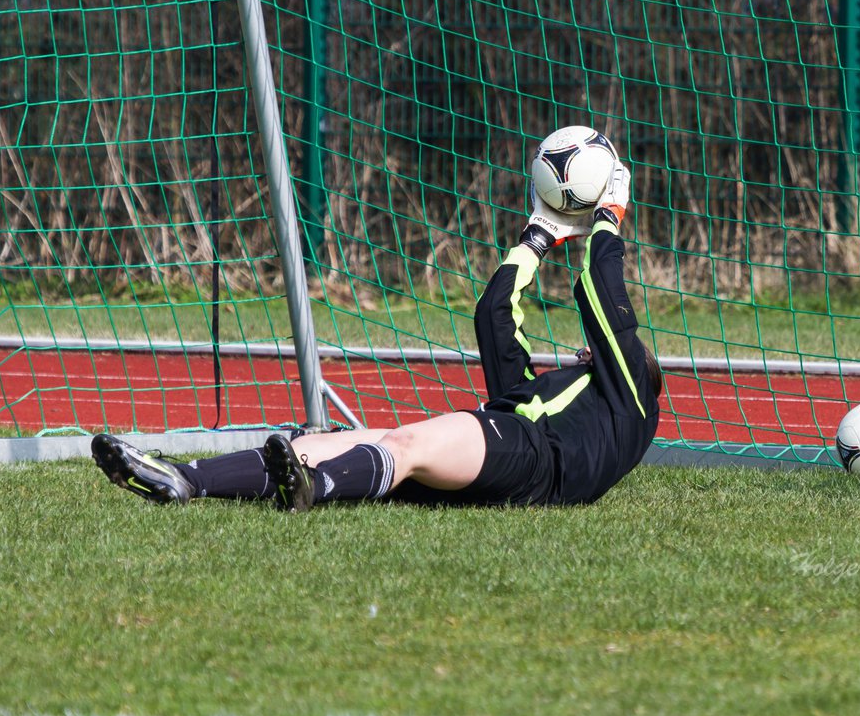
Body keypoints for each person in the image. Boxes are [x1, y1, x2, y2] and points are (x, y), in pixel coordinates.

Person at [92, 160, 662, 512]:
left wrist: (609, 214)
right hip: (512, 458)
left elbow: (599, 291)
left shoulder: (629, 393)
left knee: (406, 445)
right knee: (351, 440)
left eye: (599, 353)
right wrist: (536, 237)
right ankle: (185, 479)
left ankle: (317, 489)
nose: (588, 351)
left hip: (530, 456)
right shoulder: (554, 399)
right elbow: (495, 316)